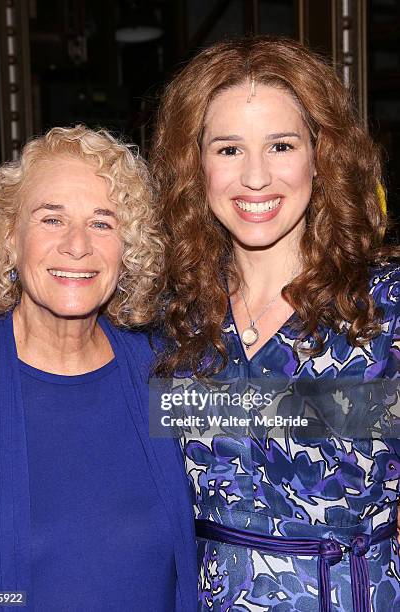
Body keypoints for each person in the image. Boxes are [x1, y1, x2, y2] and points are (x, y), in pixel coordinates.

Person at [150, 36, 400, 611]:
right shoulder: (168, 319)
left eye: (281, 145)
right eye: (229, 149)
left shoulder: (384, 308)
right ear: (195, 164)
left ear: (322, 154)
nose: (256, 178)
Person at [0, 126, 197, 611]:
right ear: (9, 236)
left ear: (127, 249)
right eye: (51, 219)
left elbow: (310, 418)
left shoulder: (167, 375)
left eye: (103, 223)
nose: (77, 245)